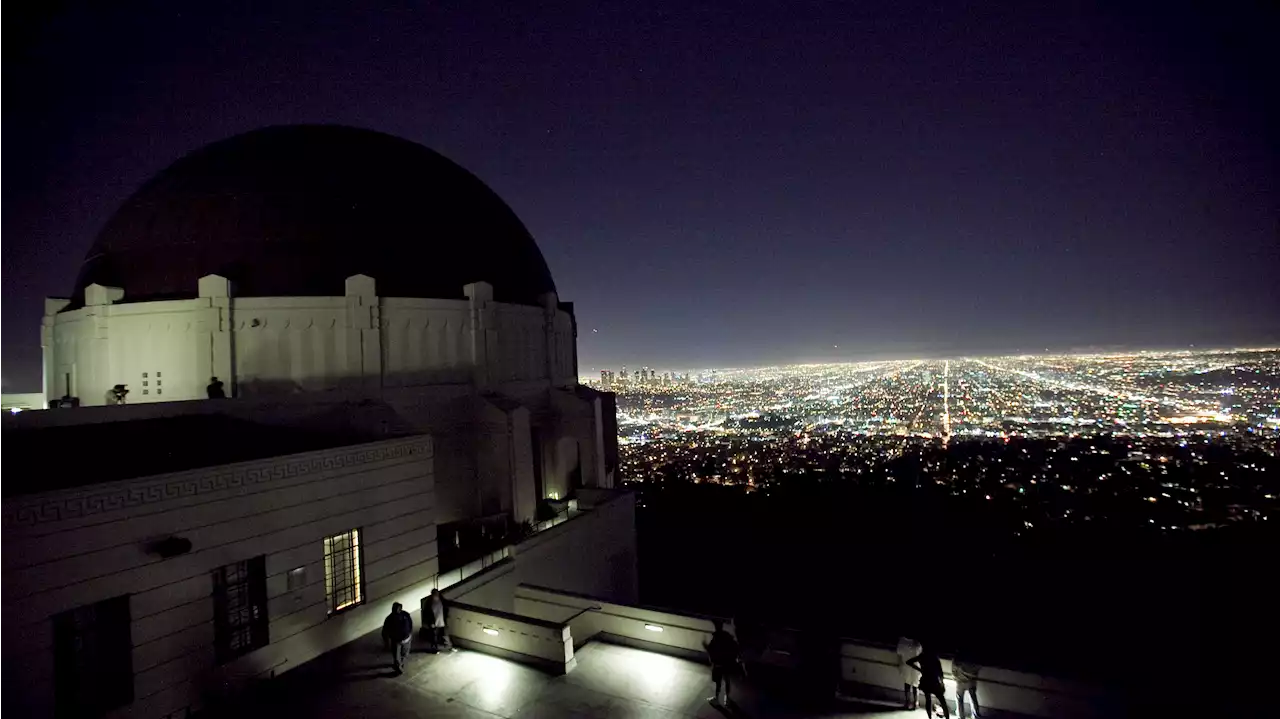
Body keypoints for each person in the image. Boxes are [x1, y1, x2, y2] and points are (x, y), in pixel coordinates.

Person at [703, 619, 741, 706]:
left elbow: (711, 650)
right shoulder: (727, 636)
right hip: (727, 663)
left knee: (718, 682)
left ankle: (716, 698)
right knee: (727, 681)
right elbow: (735, 647)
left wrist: (705, 646)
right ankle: (727, 698)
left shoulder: (716, 638)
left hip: (718, 665)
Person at [906, 642, 949, 719]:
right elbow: (940, 672)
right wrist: (942, 683)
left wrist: (919, 669)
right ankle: (947, 717)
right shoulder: (934, 657)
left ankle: (930, 717)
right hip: (935, 681)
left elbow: (908, 662)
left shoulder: (922, 656)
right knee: (942, 701)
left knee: (928, 700)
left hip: (925, 680)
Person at [381, 602, 413, 674]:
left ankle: (401, 663)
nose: (398, 610)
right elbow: (385, 630)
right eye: (396, 608)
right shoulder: (389, 619)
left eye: (399, 608)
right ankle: (398, 667)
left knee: (404, 653)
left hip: (406, 639)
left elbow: (410, 623)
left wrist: (410, 632)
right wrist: (386, 641)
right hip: (396, 640)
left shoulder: (405, 615)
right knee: (396, 655)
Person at [897, 636, 922, 709]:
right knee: (915, 685)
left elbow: (899, 655)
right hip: (916, 667)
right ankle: (915, 703)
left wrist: (899, 665)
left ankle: (907, 703)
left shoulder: (902, 642)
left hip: (906, 666)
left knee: (907, 685)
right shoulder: (917, 644)